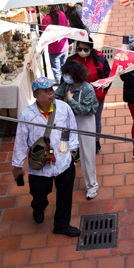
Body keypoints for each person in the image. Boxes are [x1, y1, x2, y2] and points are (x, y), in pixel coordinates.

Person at [11, 77, 81, 237]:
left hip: (63, 161)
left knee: (65, 194)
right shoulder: (27, 115)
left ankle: (62, 225)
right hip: (39, 165)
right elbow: (21, 141)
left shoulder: (63, 108)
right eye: (46, 91)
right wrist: (17, 166)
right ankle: (38, 207)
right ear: (36, 95)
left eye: (51, 90)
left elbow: (72, 129)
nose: (51, 93)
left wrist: (72, 151)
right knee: (39, 194)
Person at [55, 59, 99, 200]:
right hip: (69, 121)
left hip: (85, 122)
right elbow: (55, 95)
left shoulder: (87, 89)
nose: (64, 76)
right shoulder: (66, 86)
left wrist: (70, 100)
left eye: (67, 74)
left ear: (74, 74)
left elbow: (85, 110)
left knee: (87, 154)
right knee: (64, 150)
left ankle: (92, 185)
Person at [73, 38, 110, 153]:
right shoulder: (72, 61)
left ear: (91, 49)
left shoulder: (99, 60)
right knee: (78, 122)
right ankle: (78, 144)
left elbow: (107, 79)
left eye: (85, 49)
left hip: (96, 98)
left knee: (96, 120)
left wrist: (100, 94)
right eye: (79, 49)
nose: (82, 51)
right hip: (78, 99)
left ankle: (96, 141)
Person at [40, 5, 69, 82]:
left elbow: (44, 36)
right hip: (64, 46)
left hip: (54, 49)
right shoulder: (62, 14)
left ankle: (59, 84)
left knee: (56, 70)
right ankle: (66, 83)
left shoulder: (45, 20)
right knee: (65, 68)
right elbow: (67, 27)